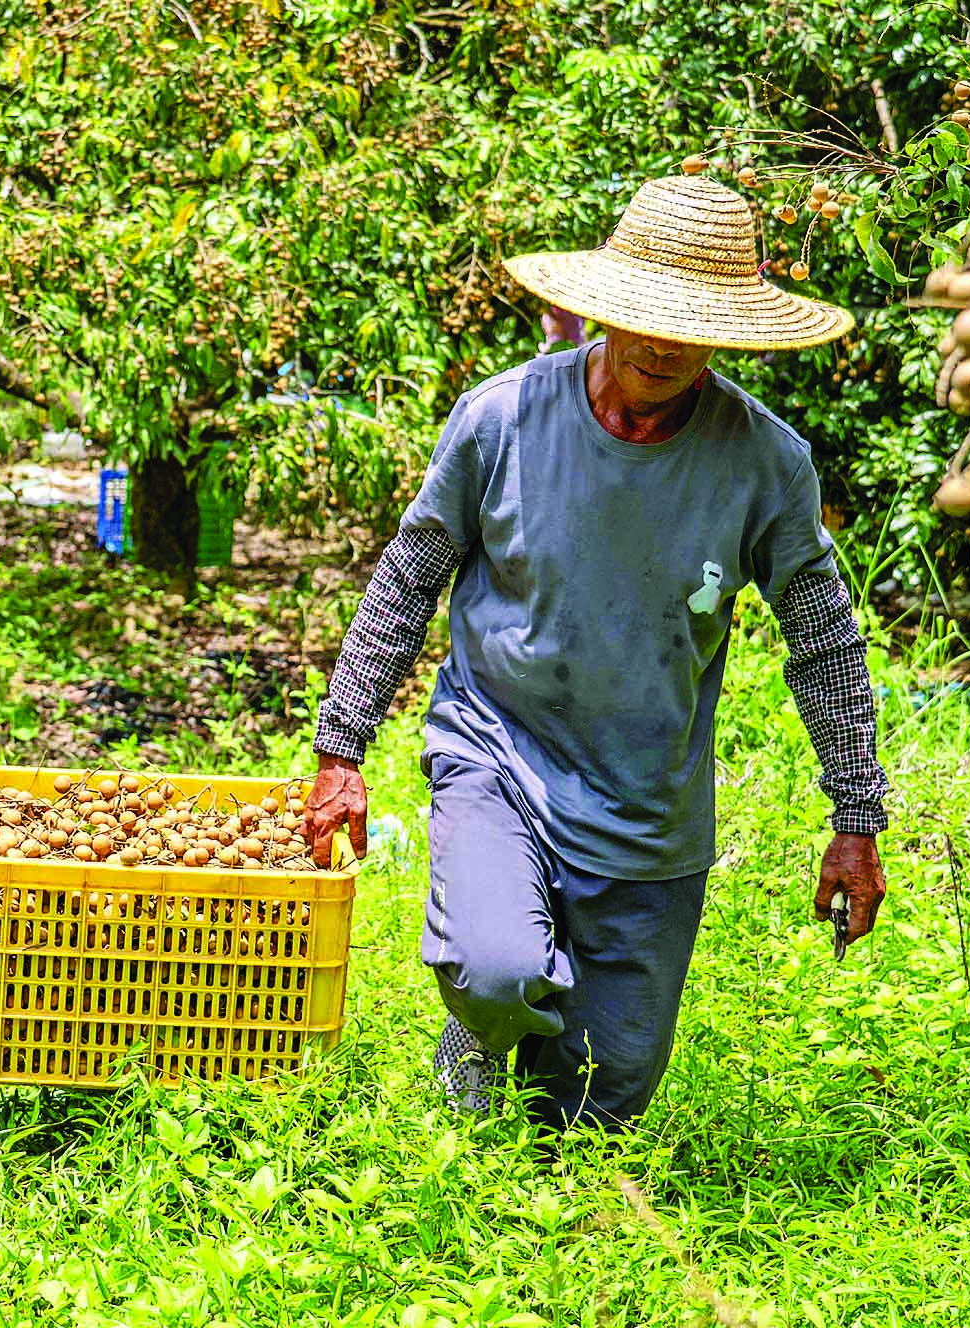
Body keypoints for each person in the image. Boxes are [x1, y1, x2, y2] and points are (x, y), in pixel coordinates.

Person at [303, 175, 889, 1126]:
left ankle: (540, 1144)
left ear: (729, 331)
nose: (662, 343)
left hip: (646, 801)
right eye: (646, 316)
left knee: (603, 1096)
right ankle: (485, 1027)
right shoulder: (501, 420)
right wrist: (342, 748)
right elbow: (410, 578)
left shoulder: (765, 463)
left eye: (690, 324)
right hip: (498, 747)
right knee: (495, 970)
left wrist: (855, 818)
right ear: (604, 307)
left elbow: (823, 643)